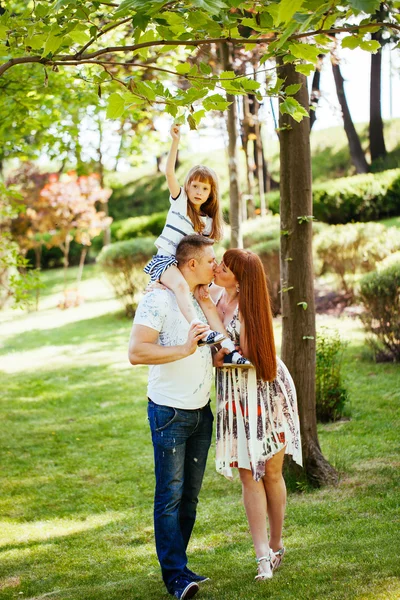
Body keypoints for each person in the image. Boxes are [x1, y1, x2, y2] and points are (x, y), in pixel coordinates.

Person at [129, 235, 218, 600]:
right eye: (210, 260)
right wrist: (183, 349)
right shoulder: (157, 299)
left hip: (201, 411)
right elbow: (136, 351)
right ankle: (175, 577)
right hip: (169, 411)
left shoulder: (198, 300)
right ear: (191, 264)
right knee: (169, 496)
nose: (216, 265)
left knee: (190, 498)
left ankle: (179, 564)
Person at [211, 249, 302, 582]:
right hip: (234, 397)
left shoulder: (249, 308)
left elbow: (251, 359)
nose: (217, 267)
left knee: (272, 473)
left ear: (240, 277)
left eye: (224, 266)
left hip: (264, 391)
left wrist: (218, 360)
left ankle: (277, 547)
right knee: (249, 474)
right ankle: (261, 557)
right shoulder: (214, 297)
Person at [144, 123, 250, 367]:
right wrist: (175, 141)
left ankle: (229, 349)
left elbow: (202, 255)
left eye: (204, 188)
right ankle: (200, 331)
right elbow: (169, 173)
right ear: (187, 186)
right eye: (194, 186)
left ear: (211, 192)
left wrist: (206, 283)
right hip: (166, 262)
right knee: (181, 287)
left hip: (187, 267)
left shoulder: (208, 221)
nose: (198, 191)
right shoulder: (180, 202)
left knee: (207, 301)